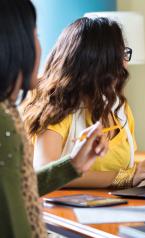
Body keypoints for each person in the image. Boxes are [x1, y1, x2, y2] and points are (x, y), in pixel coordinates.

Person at [0, 0, 108, 236]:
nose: (42, 48)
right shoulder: (4, 123)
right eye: (35, 36)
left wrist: (72, 165)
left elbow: (20, 189)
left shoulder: (7, 112)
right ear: (16, 46)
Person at [23, 17, 145, 188]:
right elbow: (44, 172)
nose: (125, 64)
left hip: (114, 207)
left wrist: (141, 170)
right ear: (98, 63)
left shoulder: (119, 107)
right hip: (66, 212)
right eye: (120, 55)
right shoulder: (58, 105)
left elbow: (124, 169)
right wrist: (125, 177)